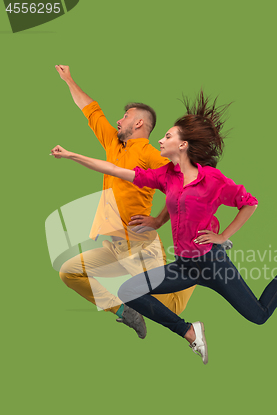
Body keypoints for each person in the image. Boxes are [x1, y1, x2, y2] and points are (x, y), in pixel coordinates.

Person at [50, 91, 277, 364]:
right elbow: (118, 171)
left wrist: (223, 236)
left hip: (212, 263)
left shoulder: (211, 179)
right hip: (184, 265)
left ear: (183, 145)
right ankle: (190, 331)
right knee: (128, 291)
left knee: (259, 316)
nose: (160, 140)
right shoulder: (167, 177)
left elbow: (249, 203)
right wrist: (72, 156)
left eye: (167, 136)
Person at [53, 65, 203, 339]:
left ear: (139, 124)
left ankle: (198, 268)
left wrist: (159, 219)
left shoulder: (148, 153)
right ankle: (123, 311)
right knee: (69, 273)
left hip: (138, 245)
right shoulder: (113, 144)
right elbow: (91, 110)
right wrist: (69, 79)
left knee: (166, 305)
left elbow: (185, 183)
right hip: (111, 245)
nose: (118, 120)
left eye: (125, 116)